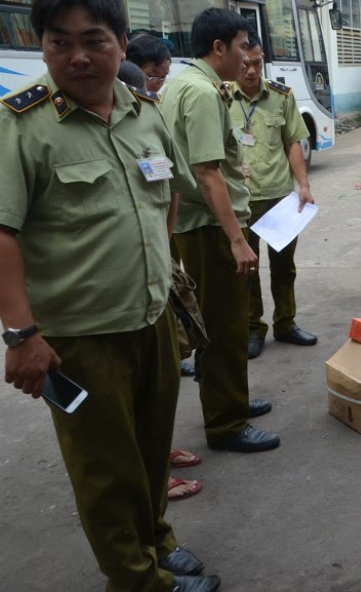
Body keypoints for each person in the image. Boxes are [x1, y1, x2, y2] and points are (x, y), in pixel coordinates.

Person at [0, 0, 219, 591]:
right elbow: (2, 235)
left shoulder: (144, 112)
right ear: (41, 47)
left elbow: (168, 196)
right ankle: (136, 580)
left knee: (151, 450)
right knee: (106, 467)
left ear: (121, 44)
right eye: (58, 41)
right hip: (77, 338)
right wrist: (21, 336)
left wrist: (161, 270)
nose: (77, 56)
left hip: (150, 318)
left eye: (93, 40)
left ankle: (156, 543)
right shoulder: (20, 124)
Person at [160, 8, 280, 453]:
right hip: (212, 227)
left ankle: (232, 401)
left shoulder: (182, 85)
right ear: (219, 48)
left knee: (215, 320)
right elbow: (207, 172)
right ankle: (226, 424)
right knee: (225, 326)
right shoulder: (203, 93)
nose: (246, 56)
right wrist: (235, 238)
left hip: (199, 223)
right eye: (242, 45)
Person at [117, 60, 205, 502]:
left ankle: (158, 453)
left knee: (157, 386)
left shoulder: (148, 119)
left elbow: (173, 185)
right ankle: (148, 478)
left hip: (151, 282)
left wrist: (164, 248)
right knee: (122, 399)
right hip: (103, 301)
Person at [230, 34, 317, 359]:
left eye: (257, 63)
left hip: (280, 197)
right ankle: (253, 329)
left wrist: (303, 185)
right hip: (241, 200)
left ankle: (286, 323)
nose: (251, 71)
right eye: (245, 64)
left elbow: (292, 142)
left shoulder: (281, 96)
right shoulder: (222, 97)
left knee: (284, 267)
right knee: (246, 270)